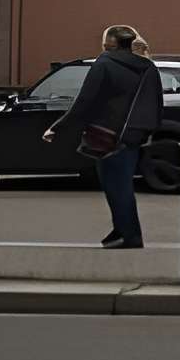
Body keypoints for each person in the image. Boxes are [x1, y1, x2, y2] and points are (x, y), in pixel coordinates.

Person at [45, 24, 165, 250]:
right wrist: (144, 131)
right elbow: (156, 103)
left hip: (107, 134)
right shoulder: (148, 67)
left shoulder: (104, 64)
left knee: (115, 187)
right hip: (133, 135)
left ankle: (129, 236)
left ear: (108, 44)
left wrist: (58, 127)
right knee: (122, 185)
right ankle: (122, 231)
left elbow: (85, 101)